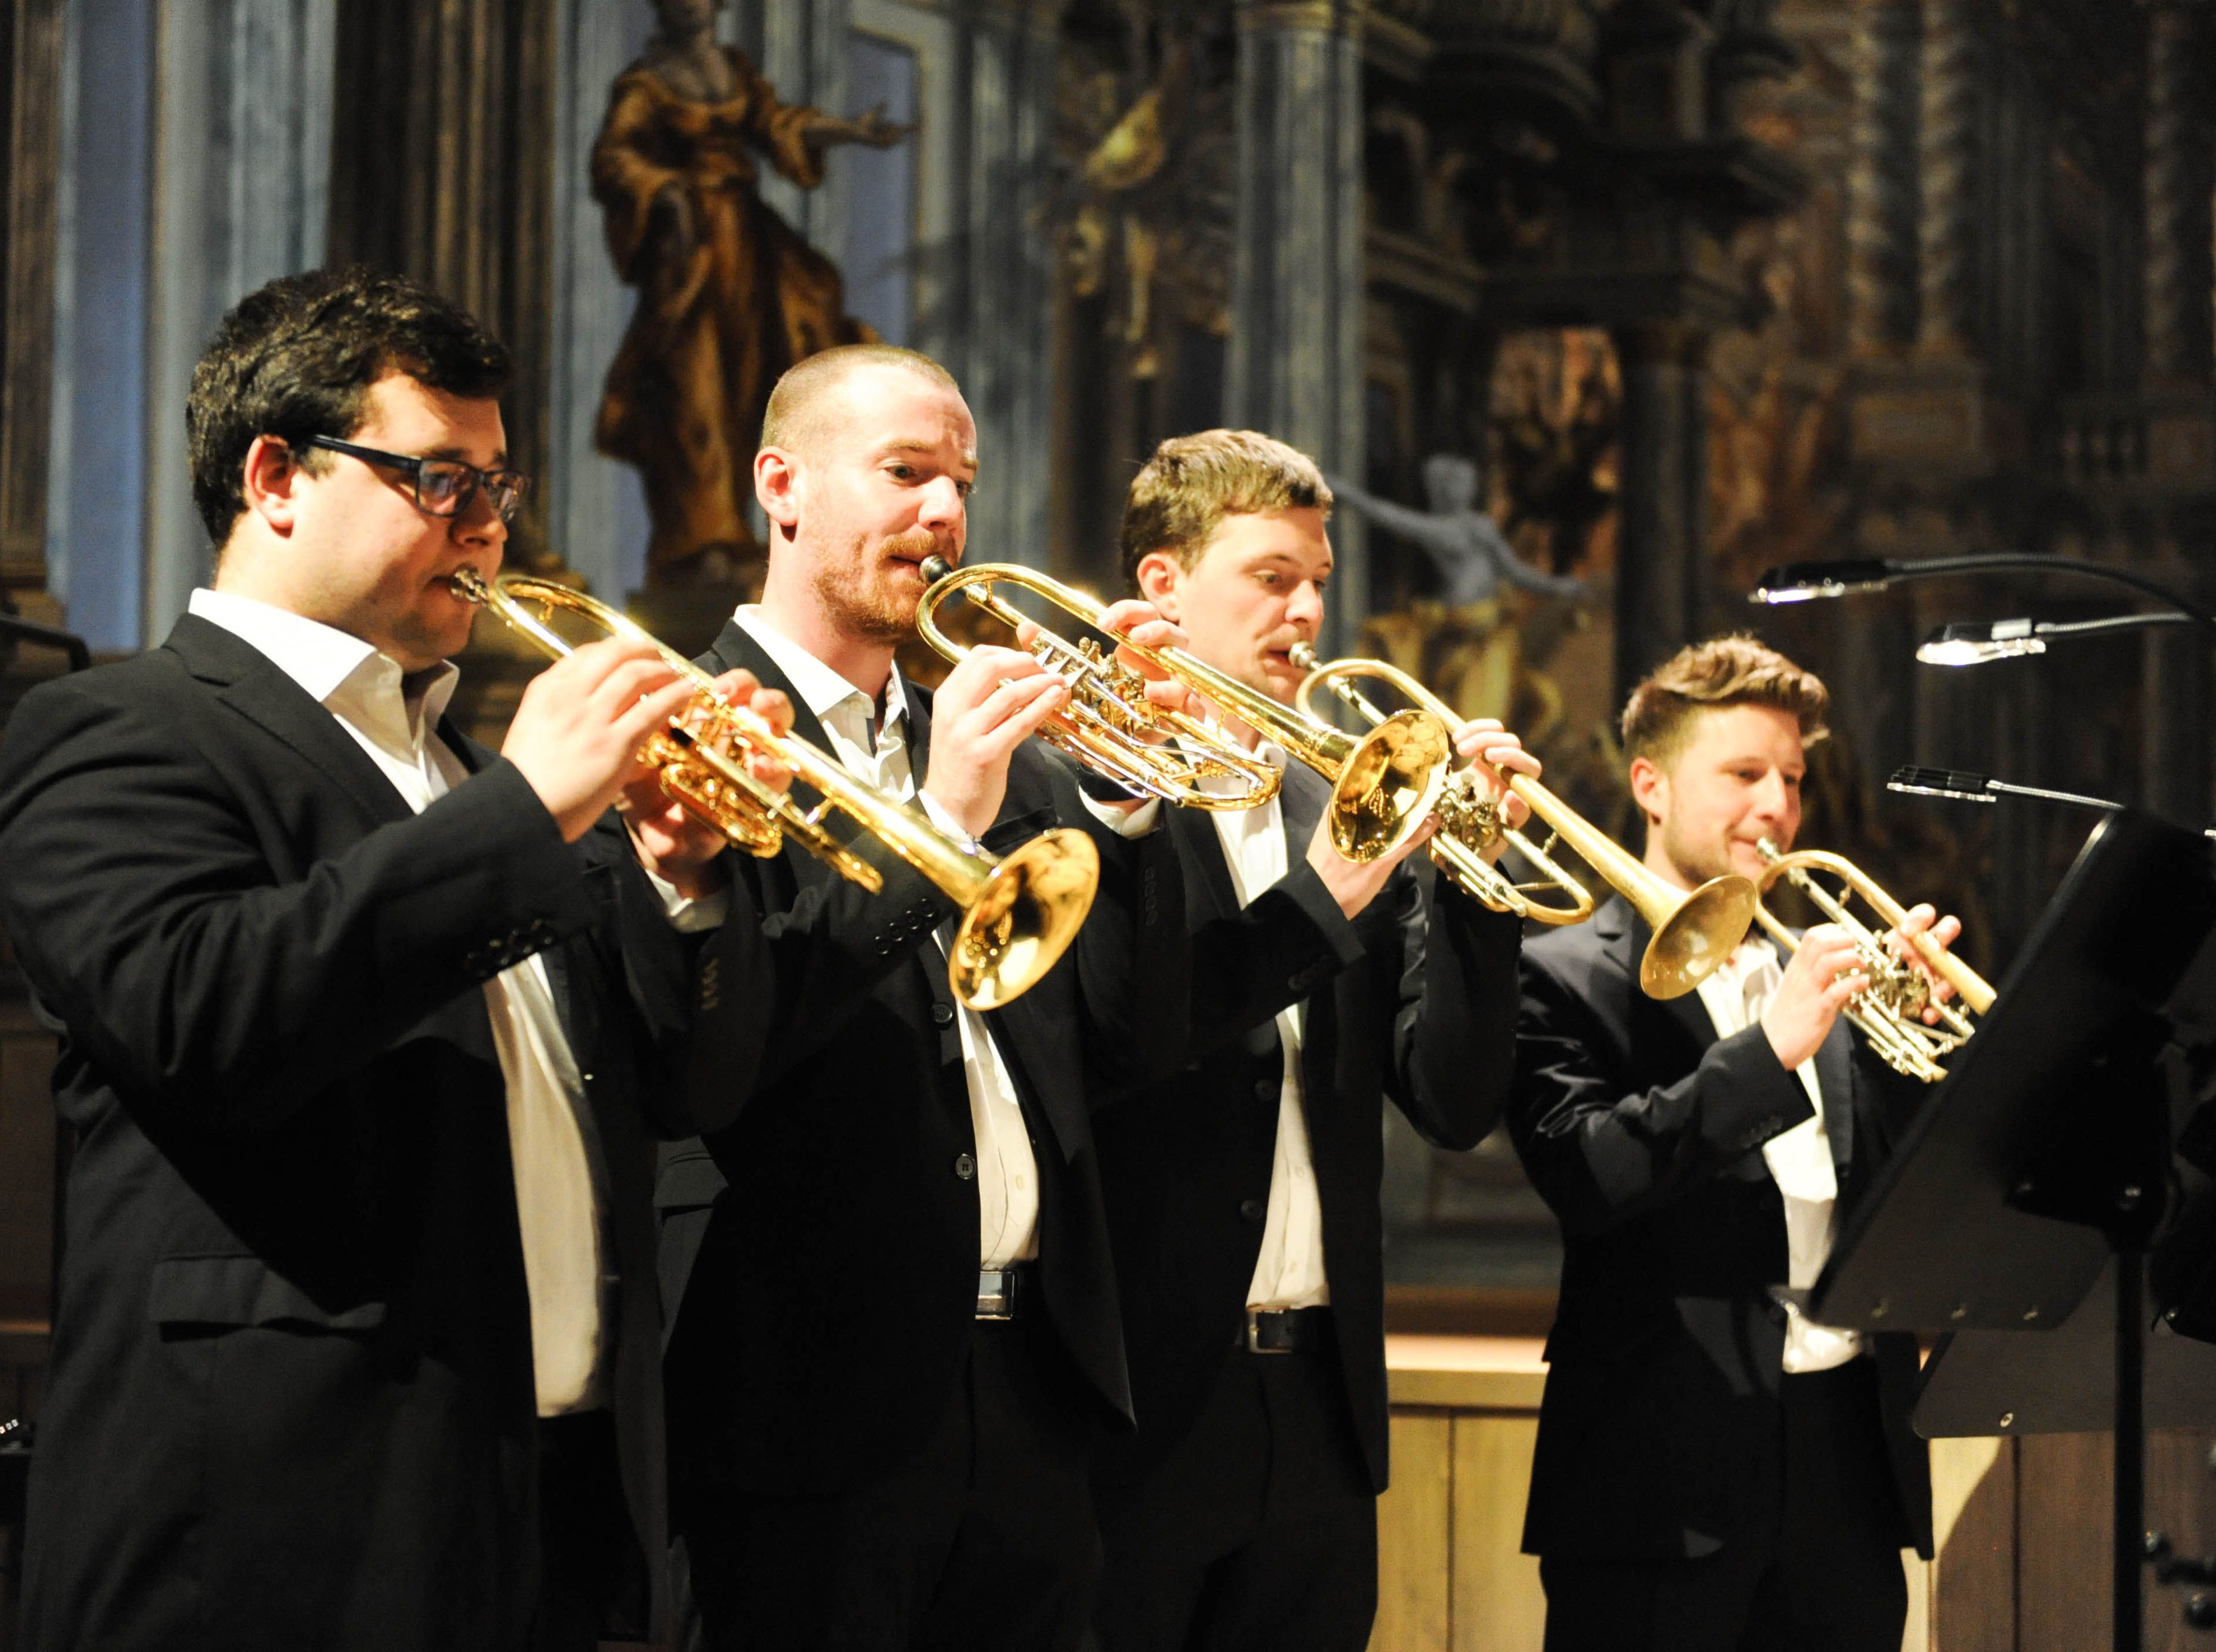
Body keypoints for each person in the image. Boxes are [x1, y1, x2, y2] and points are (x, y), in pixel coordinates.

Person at [0, 266, 783, 1652]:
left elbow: (678, 1095)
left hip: (551, 1502)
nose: (484, 529)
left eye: (498, 485)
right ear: (275, 476)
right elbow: (205, 1015)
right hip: (282, 1514)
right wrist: (527, 810)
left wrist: (681, 877)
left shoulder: (460, 764)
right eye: (438, 481)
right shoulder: (124, 727)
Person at [657, 349, 1427, 1652]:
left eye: (959, 481)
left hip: (1034, 1400)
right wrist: (932, 823)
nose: (945, 513)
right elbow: (715, 1060)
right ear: (779, 487)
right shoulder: (700, 722)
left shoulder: (1000, 747)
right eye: (905, 473)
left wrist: (1122, 796)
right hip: (807, 1402)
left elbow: (1129, 1043)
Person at [1083, 430, 1537, 1651]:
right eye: (1271, 577)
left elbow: (1447, 1102)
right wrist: (1321, 899)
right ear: (1164, 587)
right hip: (1143, 1404)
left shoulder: (1330, 807)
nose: (1308, 610)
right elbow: (1135, 1044)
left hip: (1318, 1412)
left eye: (1318, 580)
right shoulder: (1090, 796)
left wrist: (1469, 887)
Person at [1507, 635, 1954, 1652]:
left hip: (1844, 1457)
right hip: (1656, 1469)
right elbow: (1587, 1174)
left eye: (1790, 778)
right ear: (1649, 784)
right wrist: (1768, 1049)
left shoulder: (1820, 971)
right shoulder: (1557, 972)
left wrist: (1908, 1040)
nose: (1777, 808)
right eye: (1743, 774)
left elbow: (1904, 1197)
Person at [593, 0, 909, 582]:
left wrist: (850, 131)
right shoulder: (644, 84)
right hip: (690, 257)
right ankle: (701, 543)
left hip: (750, 249)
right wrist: (664, 187)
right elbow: (615, 158)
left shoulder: (731, 69)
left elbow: (777, 124)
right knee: (697, 394)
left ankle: (749, 538)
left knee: (758, 390)